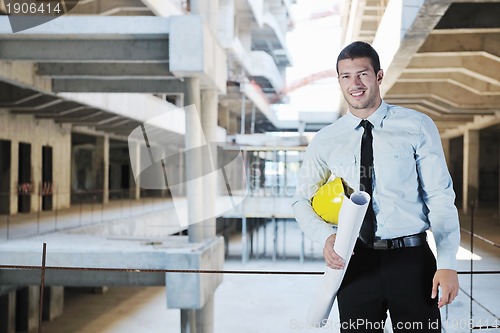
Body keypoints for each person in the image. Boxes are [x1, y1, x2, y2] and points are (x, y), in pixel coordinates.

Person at [292, 41, 460, 332]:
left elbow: (440, 197)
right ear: (339, 81)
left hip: (411, 260)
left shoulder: (417, 126)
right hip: (355, 261)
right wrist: (325, 237)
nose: (354, 84)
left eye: (362, 74)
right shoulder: (326, 139)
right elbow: (300, 200)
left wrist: (447, 263)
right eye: (346, 76)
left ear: (379, 76)